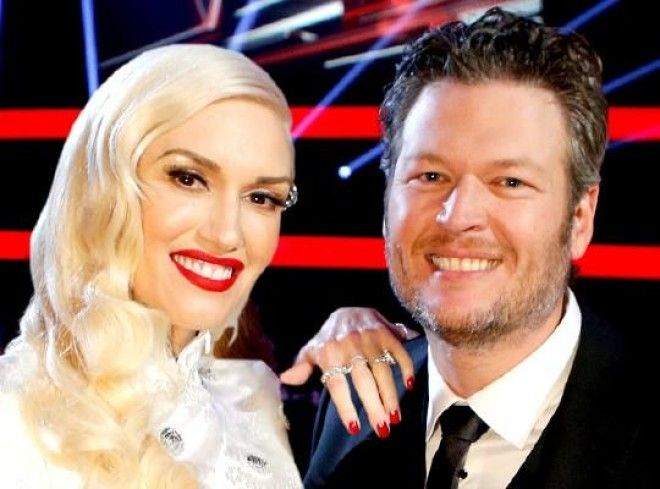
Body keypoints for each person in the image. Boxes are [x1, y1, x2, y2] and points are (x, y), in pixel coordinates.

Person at [0, 44, 408, 488]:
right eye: (188, 178)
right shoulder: (13, 418)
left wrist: (350, 330)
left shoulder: (257, 401)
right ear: (104, 184)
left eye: (261, 197)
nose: (227, 233)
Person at [302, 8, 652, 488]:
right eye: (430, 176)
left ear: (579, 218)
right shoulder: (352, 404)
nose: (458, 215)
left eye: (509, 181)